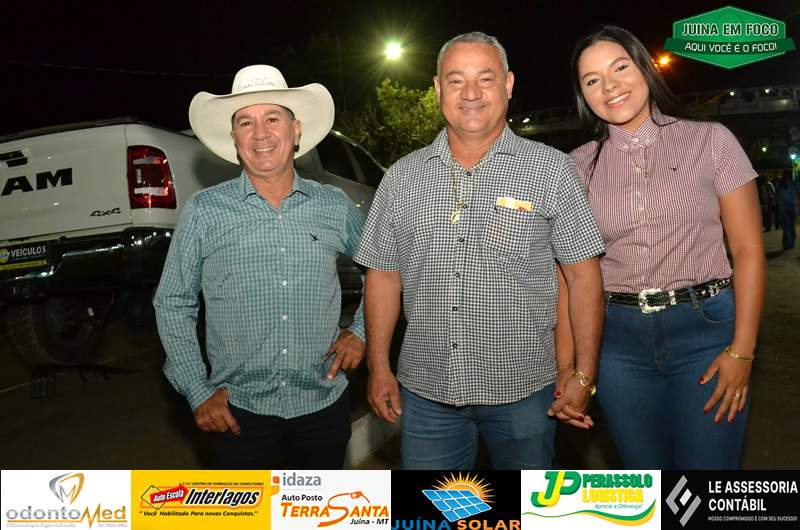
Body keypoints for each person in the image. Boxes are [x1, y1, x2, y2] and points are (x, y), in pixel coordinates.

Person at [354, 31, 605, 470]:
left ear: (508, 85)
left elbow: (582, 276)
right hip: (426, 393)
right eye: (456, 80)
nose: (470, 93)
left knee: (528, 505)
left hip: (525, 393)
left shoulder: (552, 170)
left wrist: (583, 373)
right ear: (438, 89)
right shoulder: (400, 178)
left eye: (485, 79)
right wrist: (379, 367)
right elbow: (383, 277)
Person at [565, 25, 766, 469]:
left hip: (705, 331)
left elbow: (749, 251)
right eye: (592, 80)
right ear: (583, 95)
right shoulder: (575, 168)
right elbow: (572, 276)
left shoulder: (711, 141)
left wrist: (743, 350)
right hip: (617, 343)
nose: (609, 86)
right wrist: (575, 366)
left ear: (645, 68)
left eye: (620, 68)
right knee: (648, 485)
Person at [153, 65, 366, 469]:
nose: (260, 133)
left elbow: (384, 271)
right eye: (246, 123)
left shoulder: (333, 206)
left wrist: (361, 332)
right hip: (237, 415)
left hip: (323, 407)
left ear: (296, 131)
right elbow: (173, 302)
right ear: (235, 139)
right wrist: (197, 390)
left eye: (273, 118)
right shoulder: (204, 211)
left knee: (318, 506)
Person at [777, 169, 798, 250]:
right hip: (792, 206)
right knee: (791, 225)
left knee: (785, 227)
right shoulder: (793, 184)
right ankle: (791, 242)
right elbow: (796, 195)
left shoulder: (780, 185)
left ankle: (786, 243)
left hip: (783, 208)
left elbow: (778, 197)